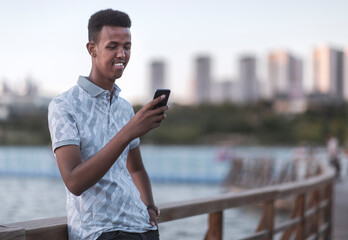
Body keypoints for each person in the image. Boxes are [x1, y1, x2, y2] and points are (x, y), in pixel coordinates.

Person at [48, 9, 168, 240]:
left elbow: (136, 168)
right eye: (112, 46)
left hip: (143, 228)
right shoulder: (64, 105)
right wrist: (128, 132)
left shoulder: (124, 107)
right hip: (99, 233)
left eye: (127, 46)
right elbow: (74, 181)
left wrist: (150, 207)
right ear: (92, 49)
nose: (122, 54)